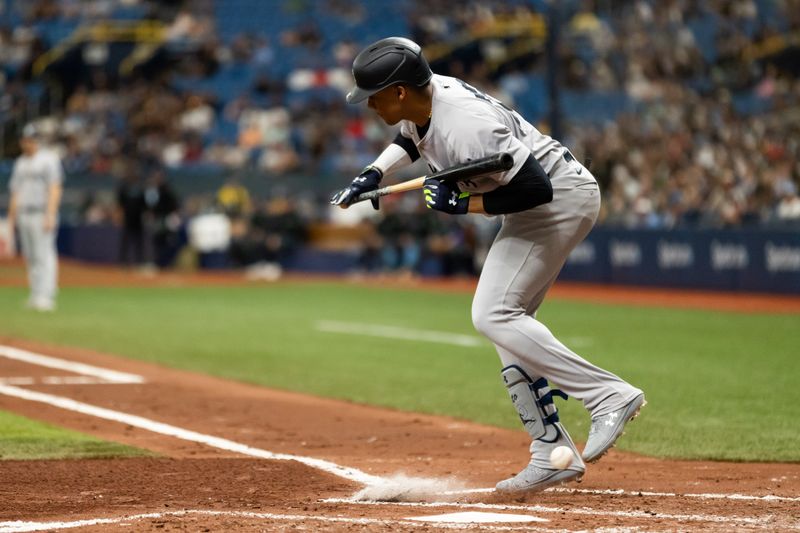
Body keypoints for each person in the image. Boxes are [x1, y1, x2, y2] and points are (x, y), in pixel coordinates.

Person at [331, 37, 645, 493]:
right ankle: (549, 451)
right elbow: (412, 136)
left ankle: (607, 395)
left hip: (558, 199)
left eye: (374, 95)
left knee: (493, 313)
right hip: (538, 203)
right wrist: (374, 174)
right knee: (506, 323)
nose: (369, 105)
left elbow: (537, 189)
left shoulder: (466, 124)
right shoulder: (426, 95)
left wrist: (463, 204)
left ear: (399, 91)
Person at [6, 124, 64, 311]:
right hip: (24, 213)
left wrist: (51, 214)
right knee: (30, 256)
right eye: (24, 139)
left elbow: (55, 188)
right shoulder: (21, 162)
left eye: (30, 139)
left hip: (41, 212)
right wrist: (11, 218)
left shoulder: (48, 159)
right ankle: (36, 293)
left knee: (43, 254)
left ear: (36, 140)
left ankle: (46, 295)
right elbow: (15, 192)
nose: (26, 143)